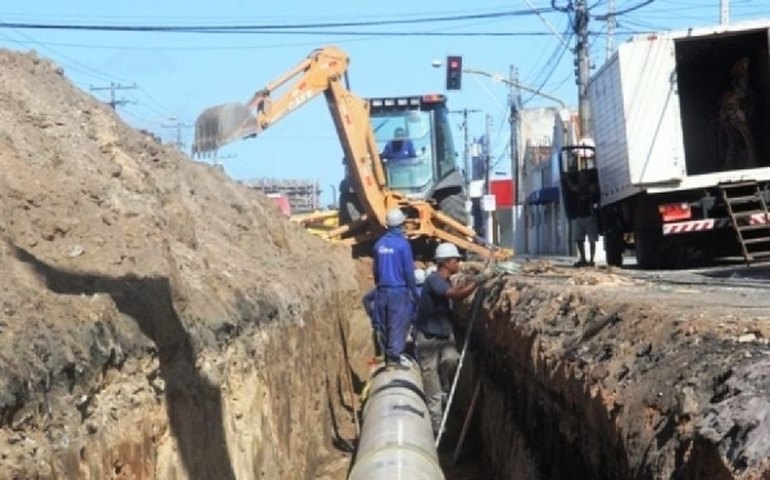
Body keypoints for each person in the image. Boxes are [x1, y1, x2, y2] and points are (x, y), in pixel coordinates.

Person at [414, 243, 492, 435]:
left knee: (451, 360)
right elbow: (456, 295)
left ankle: (446, 389)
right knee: (432, 391)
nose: (458, 263)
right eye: (456, 260)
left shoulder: (446, 280)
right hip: (427, 339)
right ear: (446, 263)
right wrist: (478, 280)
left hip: (444, 336)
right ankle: (437, 432)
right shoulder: (434, 280)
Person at [373, 207, 420, 369]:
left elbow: (375, 271)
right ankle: (393, 359)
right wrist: (414, 292)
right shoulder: (403, 245)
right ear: (401, 224)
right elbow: (408, 271)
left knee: (384, 323)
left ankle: (387, 356)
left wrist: (379, 286)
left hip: (382, 290)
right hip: (398, 290)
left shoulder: (379, 244)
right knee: (398, 323)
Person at [566, 170, 599, 267]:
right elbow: (572, 188)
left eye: (582, 175)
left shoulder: (591, 186)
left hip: (589, 216)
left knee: (591, 239)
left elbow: (595, 193)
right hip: (580, 216)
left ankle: (592, 259)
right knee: (579, 239)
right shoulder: (579, 187)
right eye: (580, 176)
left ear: (587, 177)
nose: (580, 178)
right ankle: (583, 258)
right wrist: (567, 179)